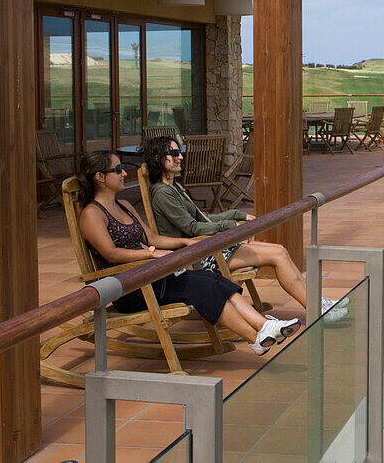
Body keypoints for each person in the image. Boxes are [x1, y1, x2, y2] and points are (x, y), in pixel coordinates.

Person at [75, 150, 299, 355]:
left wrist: (183, 242)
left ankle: (264, 326)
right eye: (117, 169)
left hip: (149, 277)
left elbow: (151, 239)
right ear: (100, 177)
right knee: (202, 287)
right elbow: (111, 254)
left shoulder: (123, 205)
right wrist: (151, 255)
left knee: (212, 279)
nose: (124, 173)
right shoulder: (92, 214)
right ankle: (254, 338)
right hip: (127, 288)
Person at [140, 136, 347, 322]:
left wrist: (238, 215)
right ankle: (317, 309)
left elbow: (204, 218)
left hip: (204, 247)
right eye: (174, 153)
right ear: (160, 158)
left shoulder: (174, 187)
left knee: (280, 251)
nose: (181, 157)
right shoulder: (162, 193)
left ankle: (317, 302)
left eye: (180, 152)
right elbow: (193, 228)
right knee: (278, 255)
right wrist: (232, 227)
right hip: (194, 257)